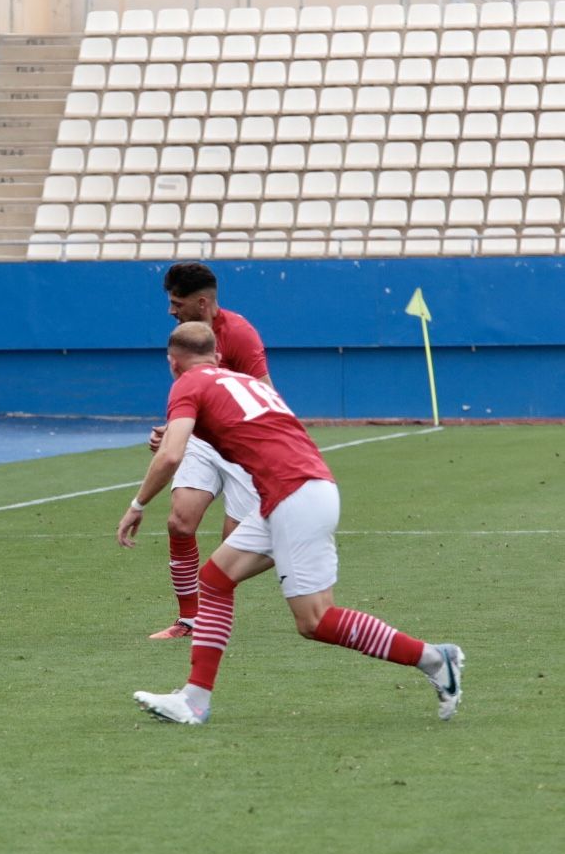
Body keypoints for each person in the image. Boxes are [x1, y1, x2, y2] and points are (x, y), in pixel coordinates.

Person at [116, 322, 464, 725]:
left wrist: (138, 504)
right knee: (214, 580)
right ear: (216, 354)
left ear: (172, 362)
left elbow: (172, 456)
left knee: (314, 621)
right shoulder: (242, 381)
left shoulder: (187, 383)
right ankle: (194, 700)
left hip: (294, 496)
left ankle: (436, 659)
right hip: (300, 489)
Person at [146, 262, 269, 641]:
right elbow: (194, 401)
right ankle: (189, 621)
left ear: (202, 303)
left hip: (240, 448)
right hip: (202, 443)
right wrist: (174, 430)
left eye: (176, 302)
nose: (171, 310)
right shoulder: (185, 337)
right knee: (179, 522)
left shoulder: (240, 335)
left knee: (232, 550)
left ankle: (215, 617)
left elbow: (264, 393)